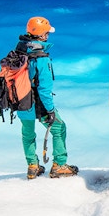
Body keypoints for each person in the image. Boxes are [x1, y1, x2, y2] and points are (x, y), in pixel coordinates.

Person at [16, 16, 78, 179]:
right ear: (41, 35)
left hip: (21, 101)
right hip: (39, 104)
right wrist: (50, 110)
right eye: (47, 33)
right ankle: (59, 165)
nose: (48, 35)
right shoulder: (41, 59)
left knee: (27, 134)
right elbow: (44, 90)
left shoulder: (19, 51)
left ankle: (32, 166)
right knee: (59, 128)